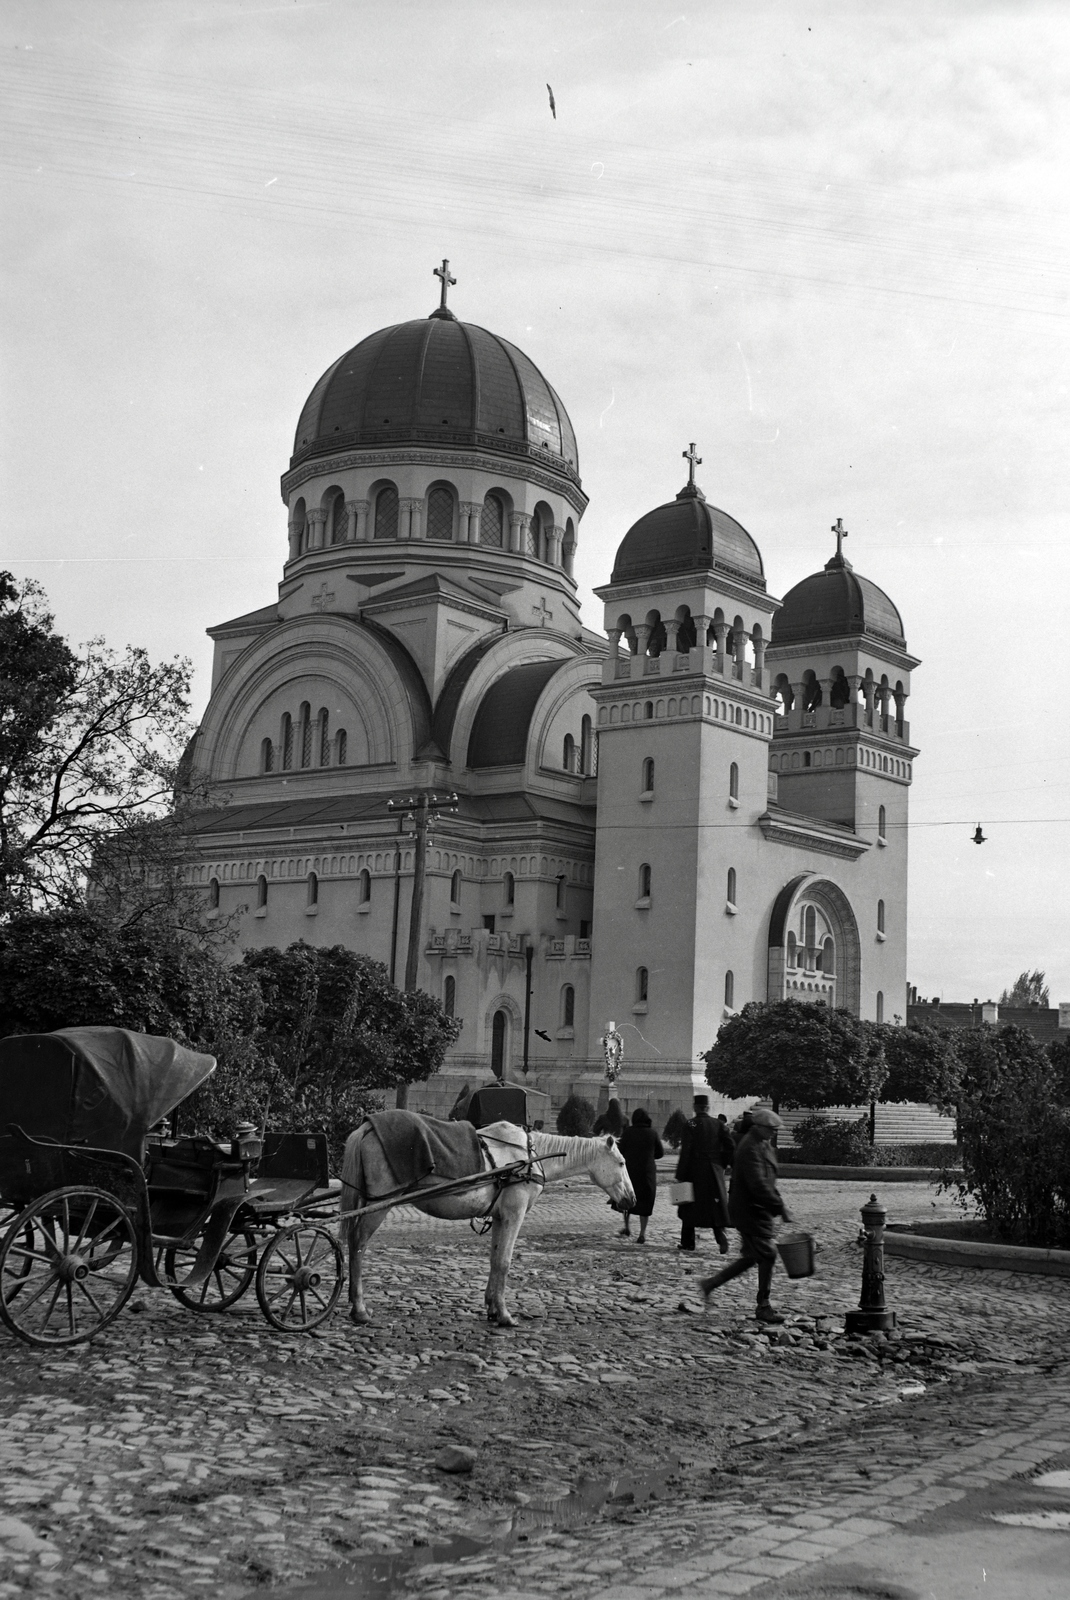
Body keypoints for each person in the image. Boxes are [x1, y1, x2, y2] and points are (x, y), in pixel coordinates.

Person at [700, 1107, 793, 1324]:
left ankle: (711, 1284)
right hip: (750, 1211)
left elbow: (768, 1179)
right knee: (768, 1254)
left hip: (758, 1210)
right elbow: (758, 1184)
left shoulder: (762, 1144)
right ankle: (763, 1306)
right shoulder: (750, 1148)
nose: (773, 1133)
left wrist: (778, 1204)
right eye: (770, 1129)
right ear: (758, 1127)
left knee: (753, 1257)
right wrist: (780, 1207)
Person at [675, 1094, 733, 1253]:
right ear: (707, 1108)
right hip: (714, 1171)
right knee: (714, 1206)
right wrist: (721, 1163)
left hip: (694, 1171)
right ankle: (720, 1236)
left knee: (688, 1205)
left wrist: (680, 1174)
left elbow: (685, 1151)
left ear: (695, 1107)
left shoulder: (690, 1124)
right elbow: (730, 1146)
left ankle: (688, 1242)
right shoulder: (718, 1124)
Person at [617, 1108, 664, 1243]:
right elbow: (660, 1153)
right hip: (647, 1173)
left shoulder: (628, 1133)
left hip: (630, 1172)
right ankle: (642, 1234)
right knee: (645, 1203)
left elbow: (620, 1151)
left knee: (627, 1201)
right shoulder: (652, 1133)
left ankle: (627, 1227)